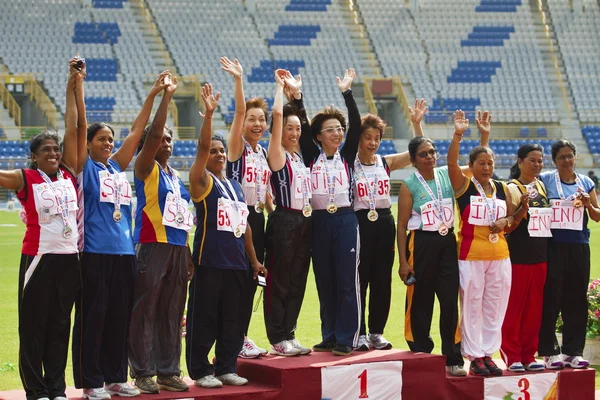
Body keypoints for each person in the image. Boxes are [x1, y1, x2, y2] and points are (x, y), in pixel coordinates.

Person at [71, 71, 172, 399]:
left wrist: (153, 94)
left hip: (124, 253)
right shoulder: (84, 167)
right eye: (101, 139)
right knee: (93, 318)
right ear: (88, 144)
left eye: (110, 140)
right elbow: (78, 126)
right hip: (96, 253)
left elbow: (136, 131)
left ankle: (115, 377)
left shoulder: (116, 167)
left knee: (118, 318)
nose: (108, 143)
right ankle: (91, 382)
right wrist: (78, 86)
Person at [0, 57, 83, 400]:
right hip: (39, 257)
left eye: (56, 149)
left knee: (60, 325)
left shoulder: (68, 172)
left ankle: (55, 387)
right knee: (33, 326)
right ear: (33, 156)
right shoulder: (26, 177)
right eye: (45, 150)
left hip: (69, 259)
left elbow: (74, 124)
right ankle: (35, 389)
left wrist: (72, 84)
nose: (53, 152)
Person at [185, 83, 267, 388]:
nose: (219, 154)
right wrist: (208, 116)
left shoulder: (234, 185)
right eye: (214, 151)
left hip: (237, 265)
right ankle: (200, 369)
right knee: (204, 318)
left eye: (223, 151)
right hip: (209, 262)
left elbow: (244, 224)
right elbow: (203, 148)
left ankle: (227, 366)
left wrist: (255, 261)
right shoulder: (201, 181)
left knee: (232, 319)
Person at [396, 110, 490, 376]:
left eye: (433, 151)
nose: (430, 156)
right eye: (424, 153)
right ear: (413, 160)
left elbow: (477, 166)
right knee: (421, 301)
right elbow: (401, 226)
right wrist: (403, 262)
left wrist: (483, 134)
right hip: (421, 244)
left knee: (449, 301)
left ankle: (453, 356)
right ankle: (421, 353)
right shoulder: (409, 185)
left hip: (448, 243)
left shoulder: (447, 175)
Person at [128, 76, 193, 393]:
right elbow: (153, 133)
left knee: (172, 310)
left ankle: (168, 370)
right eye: (161, 139)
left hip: (178, 249)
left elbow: (184, 219)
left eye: (170, 140)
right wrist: (166, 97)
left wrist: (188, 253)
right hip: (152, 245)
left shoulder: (176, 176)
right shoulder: (145, 167)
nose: (166, 142)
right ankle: (143, 372)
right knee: (146, 309)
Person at [352, 100, 428, 352]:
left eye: (377, 138)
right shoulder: (347, 163)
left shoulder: (386, 162)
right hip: (359, 222)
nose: (372, 143)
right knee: (359, 280)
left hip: (384, 222)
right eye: (367, 137)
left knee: (382, 281)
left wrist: (417, 124)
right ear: (358, 138)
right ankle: (359, 332)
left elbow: (419, 152)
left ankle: (376, 332)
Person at [447, 110, 515, 377]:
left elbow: (510, 216)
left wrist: (506, 221)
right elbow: (451, 165)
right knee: (472, 305)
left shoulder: (500, 187)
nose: (486, 168)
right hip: (471, 255)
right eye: (481, 164)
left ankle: (489, 353)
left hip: (500, 255)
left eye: (490, 163)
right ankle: (474, 355)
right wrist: (458, 134)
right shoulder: (465, 186)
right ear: (471, 166)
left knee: (495, 305)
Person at [299, 68, 361, 356]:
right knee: (325, 279)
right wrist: (298, 98)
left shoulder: (347, 156)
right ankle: (330, 334)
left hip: (346, 220)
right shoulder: (312, 156)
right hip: (320, 220)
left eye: (340, 129)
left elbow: (357, 126)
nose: (337, 133)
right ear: (319, 136)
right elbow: (300, 125)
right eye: (331, 130)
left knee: (346, 281)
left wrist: (347, 93)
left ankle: (347, 337)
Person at [221, 57, 272, 359]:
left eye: (261, 120)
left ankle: (241, 337)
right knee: (238, 280)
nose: (256, 124)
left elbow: (263, 189)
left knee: (254, 278)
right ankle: (232, 338)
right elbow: (239, 111)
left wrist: (271, 206)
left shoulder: (263, 152)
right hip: (237, 219)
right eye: (252, 119)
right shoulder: (236, 146)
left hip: (258, 217)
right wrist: (239, 80)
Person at [262, 70, 312, 356]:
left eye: (297, 129)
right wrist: (281, 90)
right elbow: (278, 119)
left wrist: (299, 96)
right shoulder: (277, 153)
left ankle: (290, 333)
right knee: (279, 280)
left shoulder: (300, 157)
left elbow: (303, 120)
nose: (294, 133)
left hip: (305, 221)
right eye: (289, 128)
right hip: (284, 220)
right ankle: (277, 336)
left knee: (298, 280)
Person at [538, 140, 600, 369]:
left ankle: (573, 352)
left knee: (576, 300)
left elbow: (596, 216)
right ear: (555, 160)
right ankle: (549, 351)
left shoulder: (586, 182)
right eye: (562, 157)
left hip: (579, 247)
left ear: (575, 157)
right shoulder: (545, 179)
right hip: (553, 247)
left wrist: (588, 205)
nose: (566, 160)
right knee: (551, 298)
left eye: (570, 156)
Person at [500, 144, 550, 373]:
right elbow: (507, 226)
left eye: (540, 160)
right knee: (514, 308)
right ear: (519, 161)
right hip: (518, 257)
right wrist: (522, 208)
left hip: (540, 257)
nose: (537, 164)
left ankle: (530, 354)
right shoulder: (511, 188)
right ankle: (512, 354)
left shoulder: (541, 186)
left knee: (534, 309)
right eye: (532, 160)